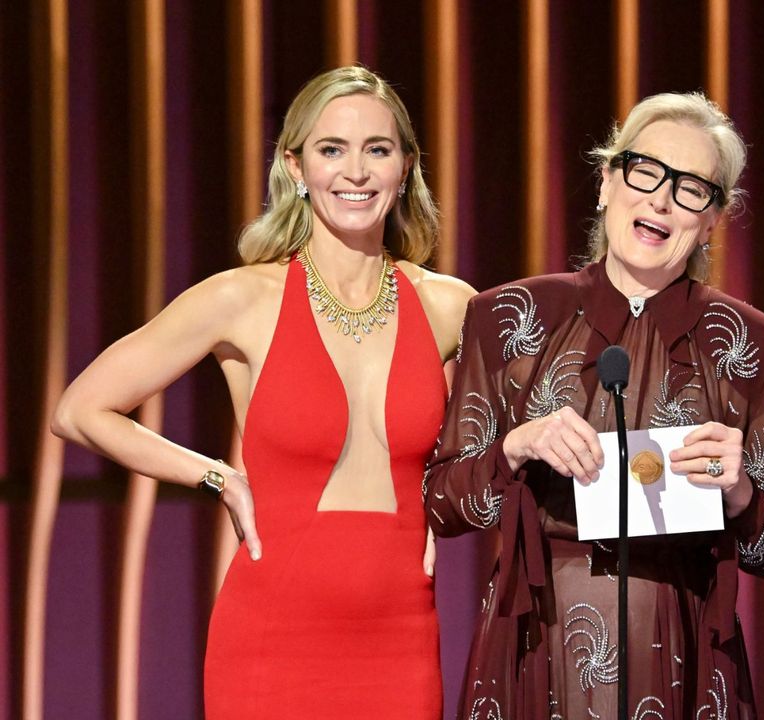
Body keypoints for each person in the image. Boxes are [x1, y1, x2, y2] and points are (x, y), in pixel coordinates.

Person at [51, 66, 474, 719]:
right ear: (295, 166)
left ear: (406, 166)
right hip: (272, 643)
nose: (356, 172)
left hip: (401, 641)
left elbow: (552, 419)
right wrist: (218, 476)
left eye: (378, 150)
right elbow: (80, 409)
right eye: (332, 149)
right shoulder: (243, 298)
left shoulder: (451, 307)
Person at [426, 91, 764, 719]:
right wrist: (515, 447)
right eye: (645, 171)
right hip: (532, 648)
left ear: (713, 218)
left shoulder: (756, 347)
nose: (660, 198)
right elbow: (441, 504)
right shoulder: (507, 319)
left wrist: (739, 491)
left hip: (682, 654)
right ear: (606, 181)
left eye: (690, 189)